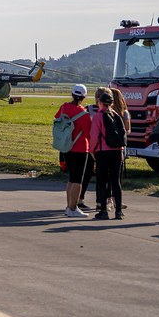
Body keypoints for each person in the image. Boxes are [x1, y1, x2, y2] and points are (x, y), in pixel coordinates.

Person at [55, 84, 92, 218]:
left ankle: (69, 206)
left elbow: (57, 118)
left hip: (66, 147)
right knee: (78, 180)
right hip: (80, 149)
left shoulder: (64, 107)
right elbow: (89, 134)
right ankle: (73, 207)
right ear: (84, 97)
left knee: (71, 178)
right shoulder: (84, 114)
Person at [89, 90, 124, 219]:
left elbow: (94, 136)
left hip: (103, 151)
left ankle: (103, 210)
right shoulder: (116, 115)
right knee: (116, 181)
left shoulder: (98, 116)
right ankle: (118, 211)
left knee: (102, 181)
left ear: (100, 102)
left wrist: (92, 150)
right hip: (117, 151)